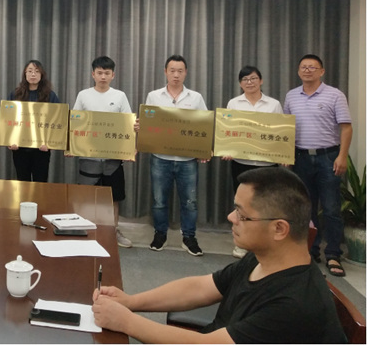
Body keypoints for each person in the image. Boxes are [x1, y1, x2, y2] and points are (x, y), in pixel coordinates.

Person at [92, 166, 346, 344]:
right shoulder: (264, 258)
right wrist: (130, 302)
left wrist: (126, 322)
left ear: (279, 229)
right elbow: (201, 288)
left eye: (241, 214)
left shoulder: (294, 304)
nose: (231, 217)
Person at [283, 54, 352, 278]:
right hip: (301, 157)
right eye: (304, 67)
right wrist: (286, 154)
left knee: (331, 208)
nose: (307, 70)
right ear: (298, 71)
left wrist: (342, 156)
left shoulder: (335, 95)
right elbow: (285, 129)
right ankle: (310, 251)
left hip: (328, 157)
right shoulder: (291, 96)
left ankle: (333, 254)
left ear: (322, 71)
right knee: (306, 207)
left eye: (312, 67)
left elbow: (346, 128)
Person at [145, 54, 207, 256]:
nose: (176, 75)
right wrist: (140, 127)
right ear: (165, 72)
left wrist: (204, 149)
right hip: (160, 158)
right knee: (159, 201)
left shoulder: (195, 98)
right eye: (172, 70)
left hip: (187, 160)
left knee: (190, 202)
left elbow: (204, 125)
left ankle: (189, 237)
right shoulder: (154, 96)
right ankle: (160, 234)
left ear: (186, 73)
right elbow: (148, 124)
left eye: (180, 71)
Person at [71, 56, 133, 248]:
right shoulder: (83, 95)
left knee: (113, 198)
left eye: (107, 73)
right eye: (99, 73)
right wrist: (71, 146)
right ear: (93, 74)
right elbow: (75, 123)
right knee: (87, 197)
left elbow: (128, 124)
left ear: (113, 75)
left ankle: (113, 231)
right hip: (88, 157)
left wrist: (130, 147)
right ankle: (86, 230)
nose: (103, 76)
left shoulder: (120, 96)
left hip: (112, 159)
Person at [223, 65, 282, 259]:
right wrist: (228, 149)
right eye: (245, 79)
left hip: (268, 165)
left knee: (266, 205)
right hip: (241, 162)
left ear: (261, 81)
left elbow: (281, 132)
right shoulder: (234, 103)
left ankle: (264, 244)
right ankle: (241, 244)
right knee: (242, 204)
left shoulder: (273, 105)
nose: (250, 82)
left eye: (253, 78)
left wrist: (283, 156)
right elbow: (227, 130)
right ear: (240, 84)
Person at [7, 60, 60, 183]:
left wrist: (50, 143)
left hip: (41, 149)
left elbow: (58, 121)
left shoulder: (50, 95)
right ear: (25, 74)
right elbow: (7, 119)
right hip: (20, 148)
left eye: (37, 71)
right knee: (22, 182)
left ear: (42, 75)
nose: (33, 74)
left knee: (40, 183)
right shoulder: (15, 94)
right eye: (30, 71)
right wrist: (9, 140)